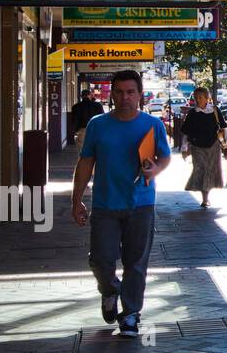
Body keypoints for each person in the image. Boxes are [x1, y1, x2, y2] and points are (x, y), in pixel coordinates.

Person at [70, 69, 171, 339]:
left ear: (139, 95)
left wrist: (154, 170)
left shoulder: (152, 124)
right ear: (111, 93)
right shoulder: (97, 124)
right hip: (105, 205)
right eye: (119, 92)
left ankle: (130, 314)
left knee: (136, 262)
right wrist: (76, 199)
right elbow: (86, 162)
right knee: (101, 259)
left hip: (141, 204)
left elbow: (164, 156)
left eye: (130, 92)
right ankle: (110, 290)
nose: (124, 97)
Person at [177, 86, 227, 209]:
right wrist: (184, 147)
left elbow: (224, 126)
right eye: (196, 98)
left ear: (207, 98)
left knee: (210, 170)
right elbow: (186, 131)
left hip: (213, 146)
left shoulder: (215, 110)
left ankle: (206, 197)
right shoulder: (192, 113)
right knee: (201, 169)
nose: (197, 100)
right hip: (197, 147)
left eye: (200, 97)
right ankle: (205, 198)